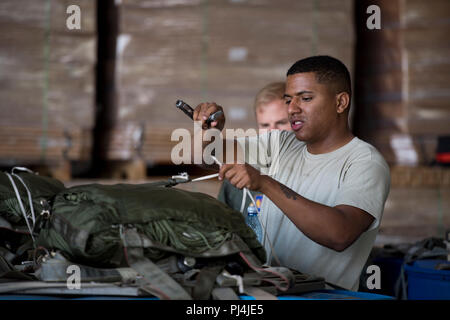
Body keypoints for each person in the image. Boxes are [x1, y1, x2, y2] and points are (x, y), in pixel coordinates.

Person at [192, 55, 390, 291]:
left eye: (305, 98)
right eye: (288, 100)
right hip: (269, 292)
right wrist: (207, 129)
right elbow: (206, 157)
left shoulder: (364, 162)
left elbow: (340, 235)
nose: (292, 109)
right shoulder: (281, 143)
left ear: (341, 102)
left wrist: (265, 183)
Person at [217, 82, 292, 213]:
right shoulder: (241, 171)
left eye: (281, 122)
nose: (272, 132)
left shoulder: (316, 169)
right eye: (265, 125)